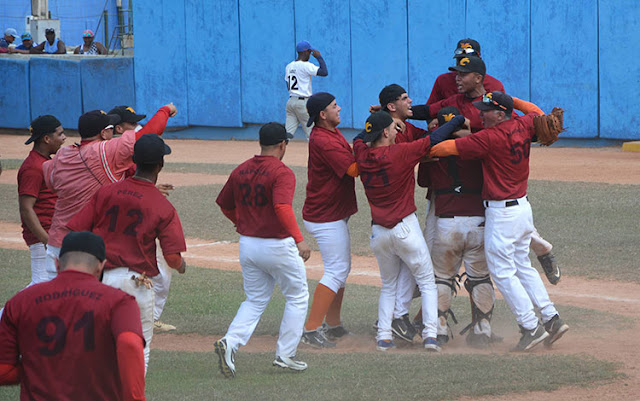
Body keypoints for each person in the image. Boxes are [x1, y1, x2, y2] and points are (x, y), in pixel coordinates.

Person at [429, 91, 569, 351]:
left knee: (503, 272)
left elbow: (443, 148)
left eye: (486, 109)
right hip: (522, 208)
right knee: (522, 266)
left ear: (500, 113)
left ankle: (530, 326)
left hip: (502, 214)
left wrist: (433, 142)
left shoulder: (488, 138)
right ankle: (551, 318)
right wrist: (511, 99)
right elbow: (537, 112)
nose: (481, 113)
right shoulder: (524, 124)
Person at [414, 56, 562, 285]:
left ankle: (542, 251)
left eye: (463, 74)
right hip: (471, 166)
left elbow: (522, 122)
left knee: (509, 218)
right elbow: (427, 110)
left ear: (479, 77)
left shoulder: (494, 103)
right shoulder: (454, 101)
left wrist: (508, 101)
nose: (457, 78)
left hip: (494, 170)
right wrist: (395, 112)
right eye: (457, 73)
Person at [67, 134, 187, 371]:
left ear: (134, 160)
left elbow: (75, 231)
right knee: (138, 350)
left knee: (98, 348)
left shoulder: (106, 192)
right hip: (136, 285)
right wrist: (182, 266)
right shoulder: (163, 205)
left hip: (101, 283)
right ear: (160, 165)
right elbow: (172, 258)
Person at [354, 111, 466, 352]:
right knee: (427, 282)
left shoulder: (362, 155)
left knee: (388, 286)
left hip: (379, 233)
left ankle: (384, 337)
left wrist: (374, 126)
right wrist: (456, 121)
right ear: (385, 133)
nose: (397, 132)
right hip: (405, 229)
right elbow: (433, 139)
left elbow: (358, 139)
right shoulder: (399, 152)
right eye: (393, 129)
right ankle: (430, 336)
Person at [0, 231, 146, 401]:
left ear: (57, 264)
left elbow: (3, 371)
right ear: (101, 266)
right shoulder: (120, 302)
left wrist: (36, 366)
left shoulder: (20, 302)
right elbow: (129, 343)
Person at [214, 122, 311, 377]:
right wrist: (299, 239)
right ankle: (285, 354)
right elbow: (281, 207)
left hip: (248, 245)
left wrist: (240, 221)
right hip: (277, 245)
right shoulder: (282, 172)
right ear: (282, 145)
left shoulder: (241, 170)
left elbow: (223, 204)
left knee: (255, 299)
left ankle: (231, 342)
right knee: (297, 296)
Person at [42, 103, 178, 282]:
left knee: (51, 301)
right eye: (110, 128)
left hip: (57, 242)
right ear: (104, 133)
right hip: (85, 248)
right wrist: (166, 110)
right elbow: (148, 135)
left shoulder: (62, 155)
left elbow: (50, 179)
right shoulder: (105, 150)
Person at [417, 107, 497, 348]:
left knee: (441, 278)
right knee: (480, 277)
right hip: (478, 221)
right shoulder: (479, 147)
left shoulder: (432, 150)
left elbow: (423, 183)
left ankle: (439, 328)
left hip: (446, 222)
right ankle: (483, 329)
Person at [108, 105, 177, 332]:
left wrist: (151, 189)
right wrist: (166, 110)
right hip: (127, 220)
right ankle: (148, 316)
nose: (136, 128)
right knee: (157, 269)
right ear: (117, 128)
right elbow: (150, 132)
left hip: (117, 216)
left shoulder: (110, 151)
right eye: (131, 124)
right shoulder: (120, 150)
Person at [301, 92, 358, 348]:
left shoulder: (330, 133)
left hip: (331, 212)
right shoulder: (323, 139)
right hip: (325, 216)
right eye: (335, 106)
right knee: (336, 270)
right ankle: (311, 328)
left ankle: (333, 325)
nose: (340, 108)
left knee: (341, 270)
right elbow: (353, 169)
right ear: (322, 115)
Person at [18, 115, 66, 285]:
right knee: (41, 287)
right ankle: (7, 312)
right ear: (47, 138)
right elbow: (26, 208)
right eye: (60, 134)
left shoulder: (44, 162)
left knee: (45, 288)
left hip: (49, 235)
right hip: (42, 238)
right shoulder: (33, 167)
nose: (64, 138)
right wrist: (46, 240)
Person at [426, 38, 504, 105]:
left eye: (470, 61)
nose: (464, 64)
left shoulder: (494, 85)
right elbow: (429, 110)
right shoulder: (443, 80)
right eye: (460, 60)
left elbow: (503, 115)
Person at [284, 40, 328, 140]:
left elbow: (287, 85)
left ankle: (274, 153)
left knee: (287, 134)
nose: (310, 54)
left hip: (291, 102)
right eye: (309, 51)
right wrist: (319, 57)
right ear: (306, 52)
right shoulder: (306, 65)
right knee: (312, 134)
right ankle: (316, 155)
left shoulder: (289, 66)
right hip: (303, 103)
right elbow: (324, 72)